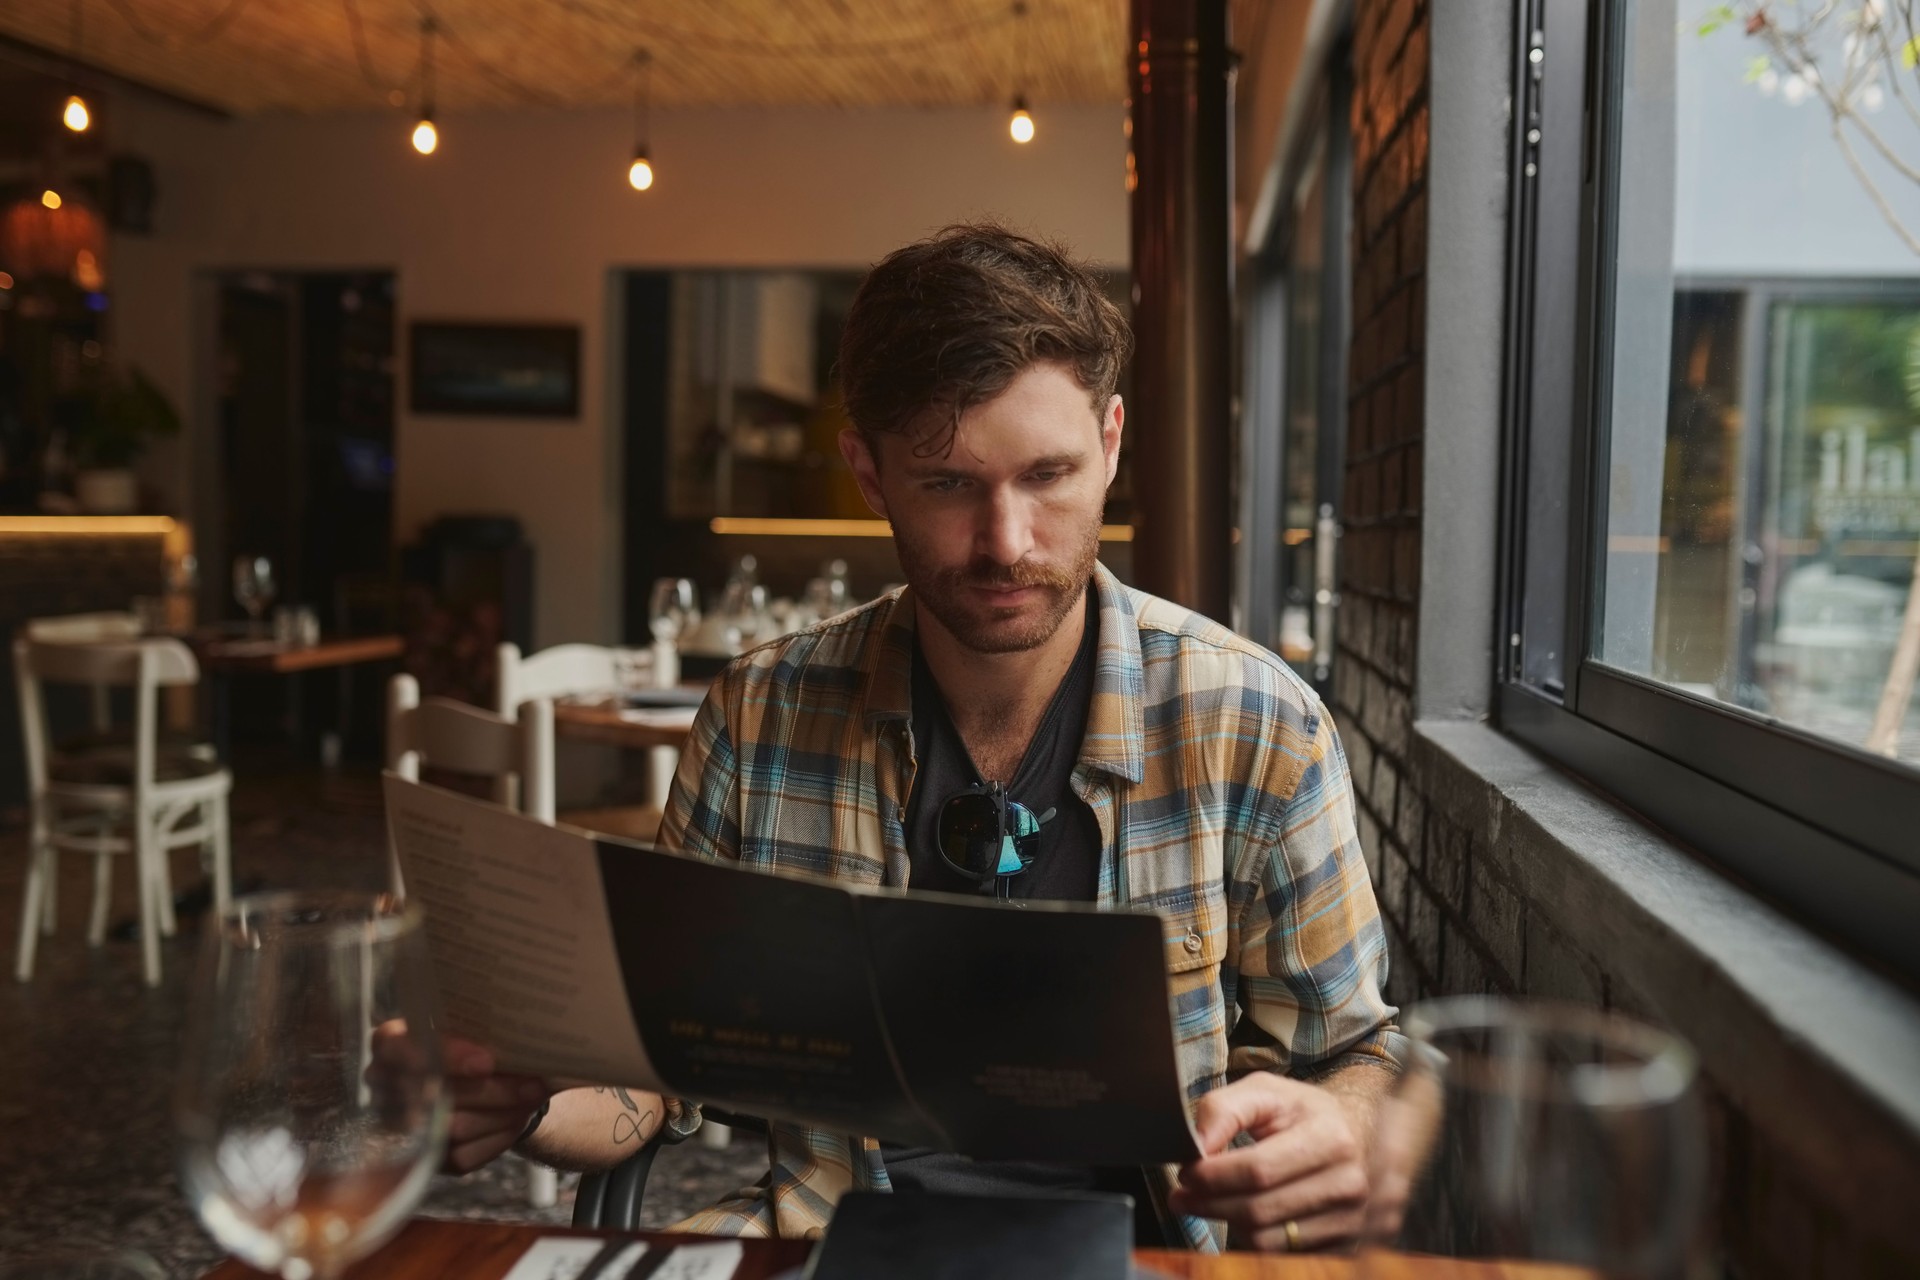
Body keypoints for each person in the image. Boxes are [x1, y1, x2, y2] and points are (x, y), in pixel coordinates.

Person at [442, 223, 1403, 1253]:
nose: (1006, 541)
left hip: (1147, 1255)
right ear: (868, 470)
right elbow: (662, 1079)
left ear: (1112, 443)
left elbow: (1362, 1049)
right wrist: (533, 1097)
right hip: (826, 1244)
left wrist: (1347, 1118)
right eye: (948, 483)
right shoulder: (758, 717)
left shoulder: (1255, 722)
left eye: (1048, 474)